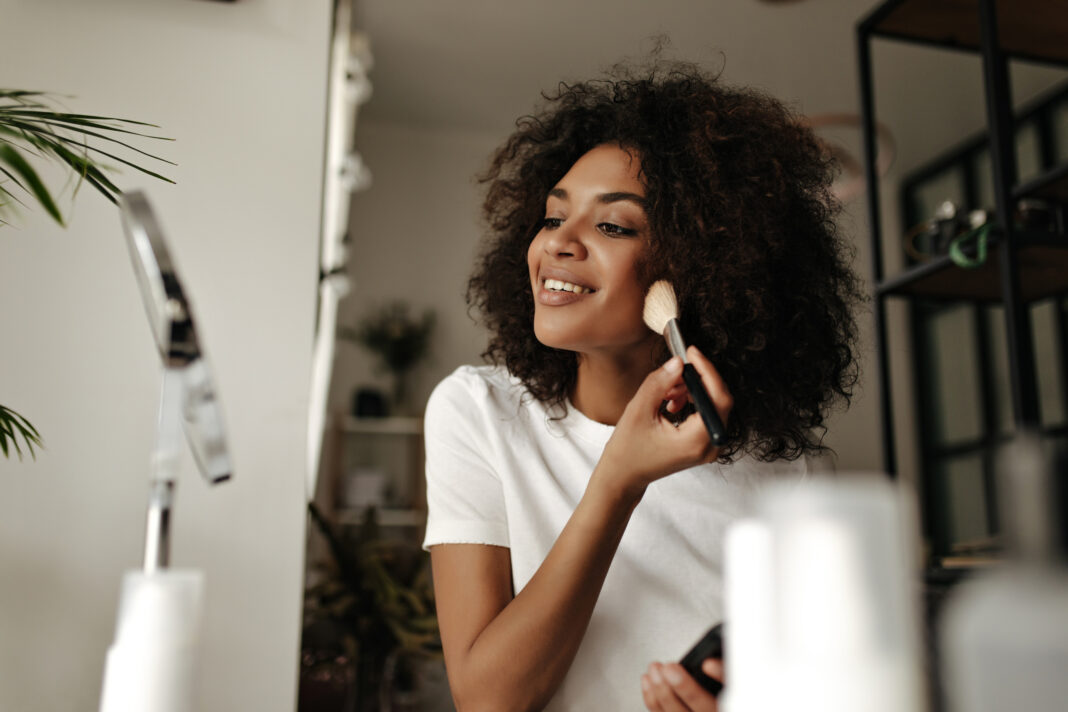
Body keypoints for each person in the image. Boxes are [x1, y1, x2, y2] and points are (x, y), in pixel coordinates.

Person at [422, 59, 862, 712]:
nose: (559, 245)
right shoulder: (480, 412)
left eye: (613, 226)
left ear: (704, 268)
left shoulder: (787, 473)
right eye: (552, 217)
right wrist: (617, 480)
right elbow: (488, 701)